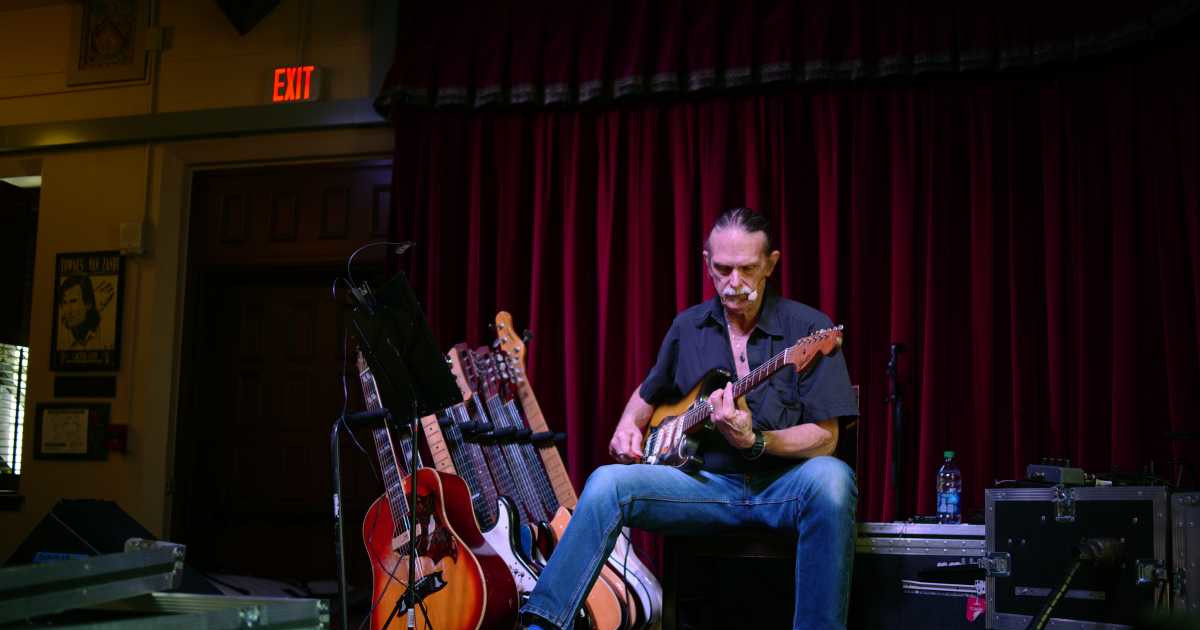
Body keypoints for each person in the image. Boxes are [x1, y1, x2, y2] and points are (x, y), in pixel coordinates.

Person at [520, 208, 860, 630]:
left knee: (833, 478)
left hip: (782, 486)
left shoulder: (809, 328)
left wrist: (755, 441)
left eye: (747, 269)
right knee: (607, 483)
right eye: (722, 269)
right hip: (704, 487)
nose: (734, 283)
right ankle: (543, 623)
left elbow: (825, 438)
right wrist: (628, 426)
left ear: (771, 263)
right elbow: (647, 395)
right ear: (706, 264)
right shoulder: (688, 327)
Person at [57, 275, 104, 350]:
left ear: (88, 304)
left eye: (73, 301)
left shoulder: (102, 334)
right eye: (64, 303)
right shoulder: (61, 339)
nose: (68, 311)